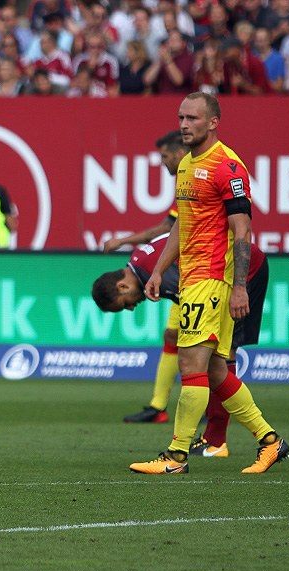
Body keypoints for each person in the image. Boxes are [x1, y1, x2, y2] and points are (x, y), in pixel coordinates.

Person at [131, 92, 289, 475]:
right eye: (181, 118)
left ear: (214, 122)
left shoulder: (228, 167)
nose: (184, 125)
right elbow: (181, 226)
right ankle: (270, 441)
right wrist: (158, 270)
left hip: (212, 279)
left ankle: (176, 457)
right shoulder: (186, 164)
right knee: (217, 371)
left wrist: (239, 286)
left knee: (190, 363)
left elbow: (243, 231)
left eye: (193, 118)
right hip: (192, 277)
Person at [93, 233, 271, 458]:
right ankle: (237, 439)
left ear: (121, 286)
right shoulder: (139, 260)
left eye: (124, 304)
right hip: (231, 269)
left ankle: (217, 441)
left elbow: (196, 294)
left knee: (221, 355)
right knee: (212, 358)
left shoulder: (152, 273)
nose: (131, 308)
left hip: (243, 272)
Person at [102, 130, 184, 424]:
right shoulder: (184, 180)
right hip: (186, 271)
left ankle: (209, 409)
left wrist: (123, 240)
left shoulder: (196, 176)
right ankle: (158, 406)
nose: (162, 162)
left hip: (206, 270)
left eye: (165, 156)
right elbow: (169, 228)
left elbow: (166, 230)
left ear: (179, 153)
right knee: (173, 336)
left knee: (201, 344)